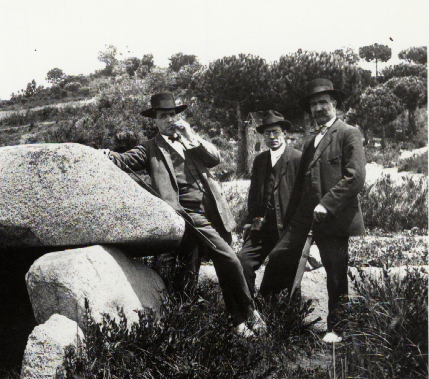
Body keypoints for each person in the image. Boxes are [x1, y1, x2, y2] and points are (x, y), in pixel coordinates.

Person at [103, 92, 265, 338]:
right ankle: (246, 314)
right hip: (186, 214)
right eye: (163, 116)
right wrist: (107, 155)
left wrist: (191, 135)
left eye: (172, 114)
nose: (169, 119)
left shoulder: (190, 141)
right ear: (155, 121)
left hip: (212, 212)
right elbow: (124, 161)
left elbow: (215, 159)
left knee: (204, 268)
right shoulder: (149, 148)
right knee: (229, 259)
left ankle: (236, 321)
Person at [258, 79, 366, 343]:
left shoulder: (348, 133)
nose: (318, 108)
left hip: (335, 218)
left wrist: (326, 204)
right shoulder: (311, 140)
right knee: (279, 256)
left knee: (335, 272)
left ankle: (337, 328)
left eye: (323, 102)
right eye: (314, 104)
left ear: (334, 104)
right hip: (305, 217)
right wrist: (291, 218)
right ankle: (266, 318)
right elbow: (300, 185)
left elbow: (355, 178)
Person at [237, 111, 302, 295]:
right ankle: (249, 311)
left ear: (285, 134)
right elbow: (253, 194)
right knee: (242, 262)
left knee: (277, 270)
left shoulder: (297, 158)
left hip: (286, 230)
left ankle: (278, 314)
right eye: (267, 133)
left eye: (276, 132)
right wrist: (250, 221)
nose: (272, 137)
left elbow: (305, 197)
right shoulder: (260, 160)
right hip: (261, 228)